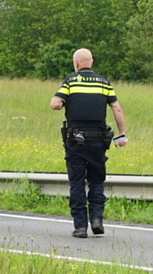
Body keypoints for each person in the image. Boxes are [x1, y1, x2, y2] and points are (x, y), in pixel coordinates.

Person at [50, 48, 127, 238]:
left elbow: (55, 104)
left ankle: (80, 227)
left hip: (76, 141)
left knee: (76, 183)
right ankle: (97, 220)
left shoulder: (70, 81)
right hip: (98, 142)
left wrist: (68, 102)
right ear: (91, 62)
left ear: (76, 63)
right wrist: (121, 135)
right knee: (96, 181)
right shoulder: (103, 82)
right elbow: (116, 108)